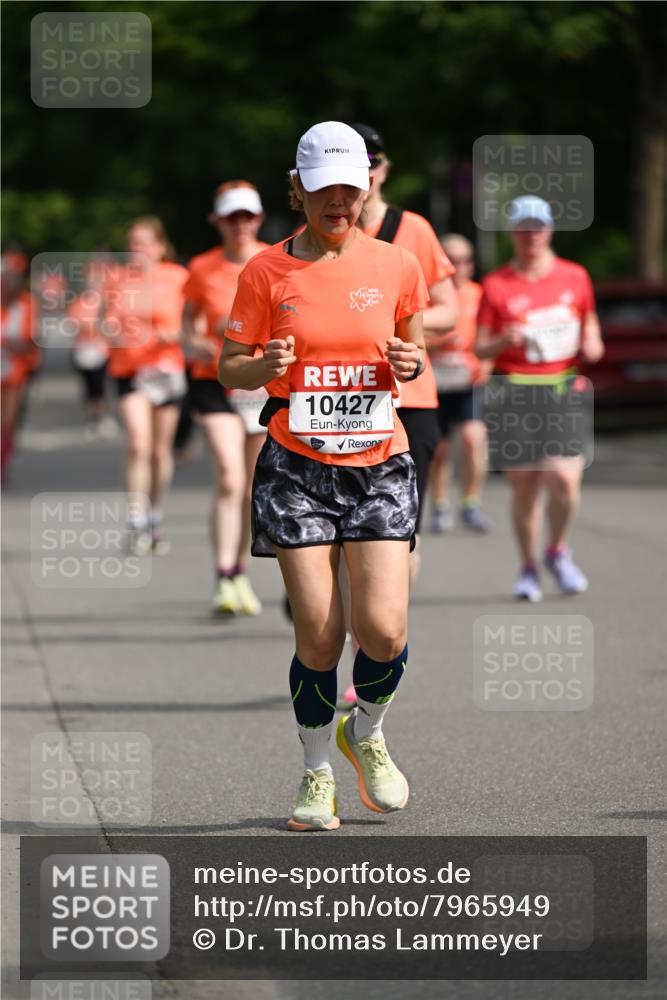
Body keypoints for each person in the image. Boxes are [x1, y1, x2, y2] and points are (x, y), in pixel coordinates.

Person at [219, 121, 429, 831]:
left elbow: (414, 351)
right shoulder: (264, 272)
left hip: (378, 462)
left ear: (368, 185)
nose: (339, 201)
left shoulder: (397, 264)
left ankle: (362, 732)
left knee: (384, 631)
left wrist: (409, 364)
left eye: (351, 187)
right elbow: (229, 366)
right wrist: (262, 368)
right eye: (323, 190)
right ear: (297, 191)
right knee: (317, 632)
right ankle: (314, 776)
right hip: (296, 464)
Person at [475, 196, 604, 601]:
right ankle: (529, 565)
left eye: (539, 227)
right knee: (526, 488)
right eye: (524, 228)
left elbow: (589, 322)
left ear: (549, 230)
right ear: (513, 233)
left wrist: (593, 341)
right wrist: (501, 340)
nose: (532, 235)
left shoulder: (575, 276)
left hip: (562, 387)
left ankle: (557, 550)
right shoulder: (496, 284)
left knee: (565, 478)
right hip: (512, 390)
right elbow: (479, 348)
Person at [351, 123, 459, 580]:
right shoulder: (314, 236)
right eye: (355, 166)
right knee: (346, 532)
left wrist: (392, 323)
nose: (366, 173)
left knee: (399, 535)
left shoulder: (414, 229)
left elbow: (450, 312)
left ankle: (385, 638)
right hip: (343, 403)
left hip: (409, 400)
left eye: (372, 163)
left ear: (385, 168)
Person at [183, 181, 269, 615]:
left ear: (259, 218)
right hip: (214, 380)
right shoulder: (201, 268)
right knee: (229, 476)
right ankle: (221, 576)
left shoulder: (278, 260)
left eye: (248, 216)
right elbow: (189, 325)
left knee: (252, 486)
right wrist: (197, 341)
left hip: (260, 382)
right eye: (232, 217)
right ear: (217, 221)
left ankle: (239, 574)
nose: (241, 224)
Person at [103, 217, 188, 555]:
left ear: (160, 246)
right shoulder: (119, 280)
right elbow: (108, 318)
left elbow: (193, 324)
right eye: (133, 243)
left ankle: (155, 515)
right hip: (130, 370)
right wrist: (111, 328)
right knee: (139, 443)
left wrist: (176, 335)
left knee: (159, 451)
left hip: (166, 370)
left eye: (145, 243)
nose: (139, 249)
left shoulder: (178, 278)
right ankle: (136, 520)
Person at [428, 233, 490, 533]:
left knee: (472, 439)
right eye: (452, 260)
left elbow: (492, 334)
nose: (458, 266)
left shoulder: (480, 295)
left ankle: (471, 502)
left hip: (469, 378)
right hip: (437, 378)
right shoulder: (432, 295)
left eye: (464, 260)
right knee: (439, 450)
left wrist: (487, 364)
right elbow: (412, 335)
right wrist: (440, 341)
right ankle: (440, 506)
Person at [68, 256, 118, 439]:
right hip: (83, 351)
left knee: (102, 387)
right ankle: (92, 419)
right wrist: (93, 327)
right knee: (89, 389)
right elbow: (75, 324)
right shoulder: (78, 302)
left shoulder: (106, 302)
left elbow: (112, 325)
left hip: (102, 351)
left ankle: (104, 417)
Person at [1, 258, 40, 479]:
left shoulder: (26, 304)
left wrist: (20, 345)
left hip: (15, 369)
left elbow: (33, 338)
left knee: (8, 419)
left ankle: (3, 460)